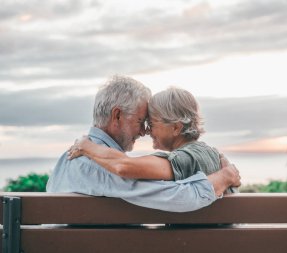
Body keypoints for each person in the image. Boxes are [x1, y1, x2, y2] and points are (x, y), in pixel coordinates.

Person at [46, 75, 240, 212]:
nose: (143, 131)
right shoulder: (104, 167)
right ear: (117, 116)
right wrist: (225, 176)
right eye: (140, 121)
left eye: (149, 123)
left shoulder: (68, 158)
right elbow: (182, 198)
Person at [68, 87, 238, 193]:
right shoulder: (211, 154)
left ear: (176, 128)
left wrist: (86, 146)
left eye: (152, 123)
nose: (147, 131)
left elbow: (124, 166)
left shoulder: (186, 158)